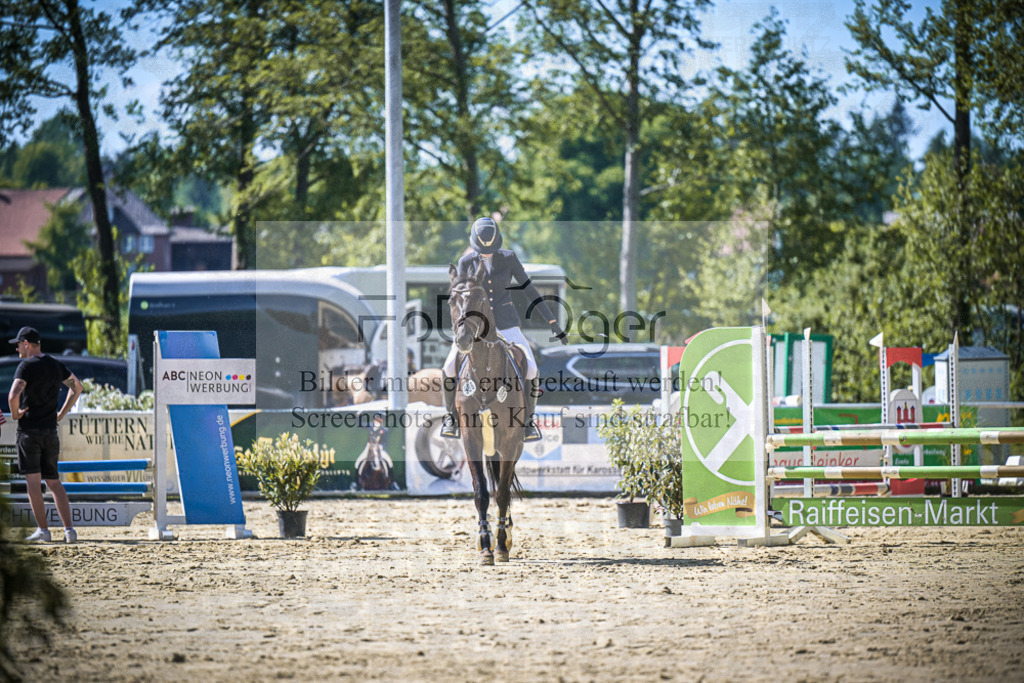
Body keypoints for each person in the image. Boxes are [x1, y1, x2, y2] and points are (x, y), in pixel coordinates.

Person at [441, 216, 567, 441]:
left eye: (490, 249)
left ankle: (528, 422)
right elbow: (459, 299)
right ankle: (451, 418)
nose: (487, 254)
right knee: (449, 366)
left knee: (531, 368)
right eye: (483, 250)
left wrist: (552, 322)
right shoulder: (465, 262)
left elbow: (529, 289)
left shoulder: (509, 258)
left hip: (506, 322)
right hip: (475, 326)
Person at [8, 326, 83, 543]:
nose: (17, 349)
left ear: (26, 344)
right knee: (54, 482)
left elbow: (13, 395)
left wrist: (15, 414)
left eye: (18, 345)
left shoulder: (26, 366)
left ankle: (43, 530)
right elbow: (77, 387)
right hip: (50, 431)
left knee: (33, 483)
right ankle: (69, 530)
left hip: (29, 431)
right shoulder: (55, 364)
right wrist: (62, 413)